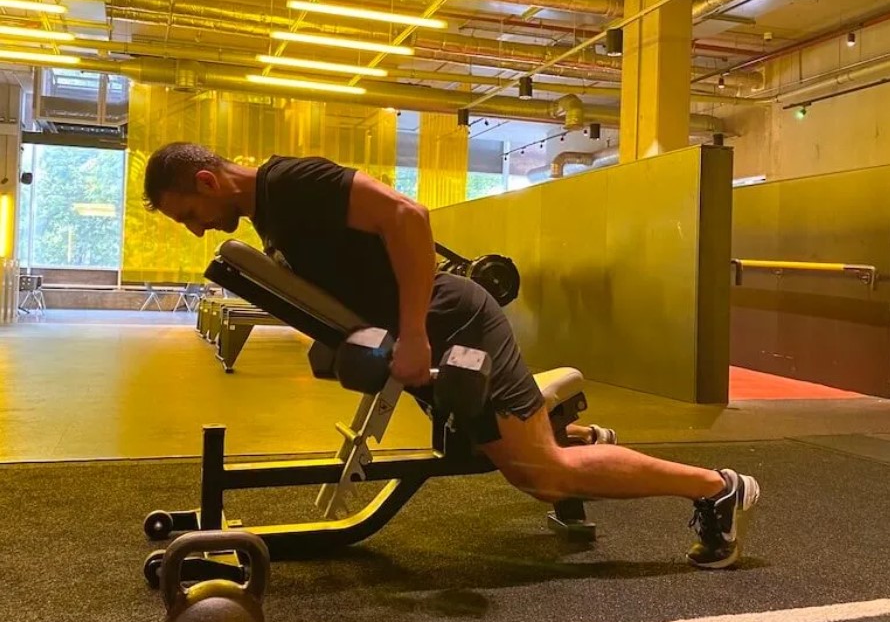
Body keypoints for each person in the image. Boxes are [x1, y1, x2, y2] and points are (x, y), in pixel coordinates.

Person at [143, 142, 761, 570]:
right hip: (434, 327)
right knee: (522, 453)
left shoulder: (292, 184)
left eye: (190, 215)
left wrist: (413, 335)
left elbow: (408, 217)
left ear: (206, 180)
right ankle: (571, 433)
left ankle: (717, 489)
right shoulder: (271, 212)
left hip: (454, 322)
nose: (197, 228)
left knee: (539, 474)